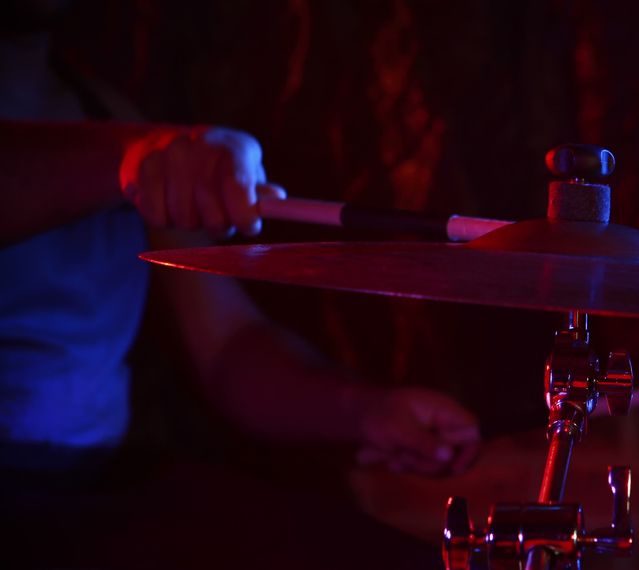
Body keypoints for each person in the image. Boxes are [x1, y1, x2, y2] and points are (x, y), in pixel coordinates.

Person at [0, 1, 479, 567]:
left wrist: (362, 408)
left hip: (93, 481)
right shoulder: (132, 139)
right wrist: (133, 154)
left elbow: (228, 346)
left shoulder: (105, 109)